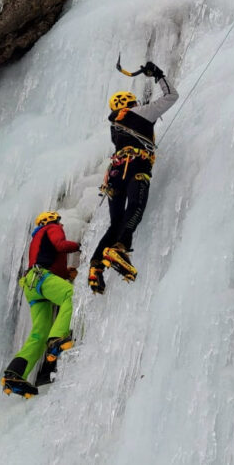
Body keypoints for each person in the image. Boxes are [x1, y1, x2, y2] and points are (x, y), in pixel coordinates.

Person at [88, 61, 178, 294]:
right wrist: (158, 74)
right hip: (135, 166)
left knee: (116, 222)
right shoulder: (140, 113)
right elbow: (171, 96)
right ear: (131, 102)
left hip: (114, 174)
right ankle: (119, 248)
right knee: (136, 206)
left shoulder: (115, 126)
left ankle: (96, 267)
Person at [1, 211, 80, 397]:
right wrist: (79, 246)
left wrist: (66, 273)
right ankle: (57, 339)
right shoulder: (52, 228)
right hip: (41, 278)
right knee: (70, 295)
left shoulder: (37, 238)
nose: (62, 226)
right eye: (60, 222)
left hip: (31, 284)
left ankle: (14, 374)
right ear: (53, 220)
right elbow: (60, 245)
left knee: (39, 332)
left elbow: (50, 264)